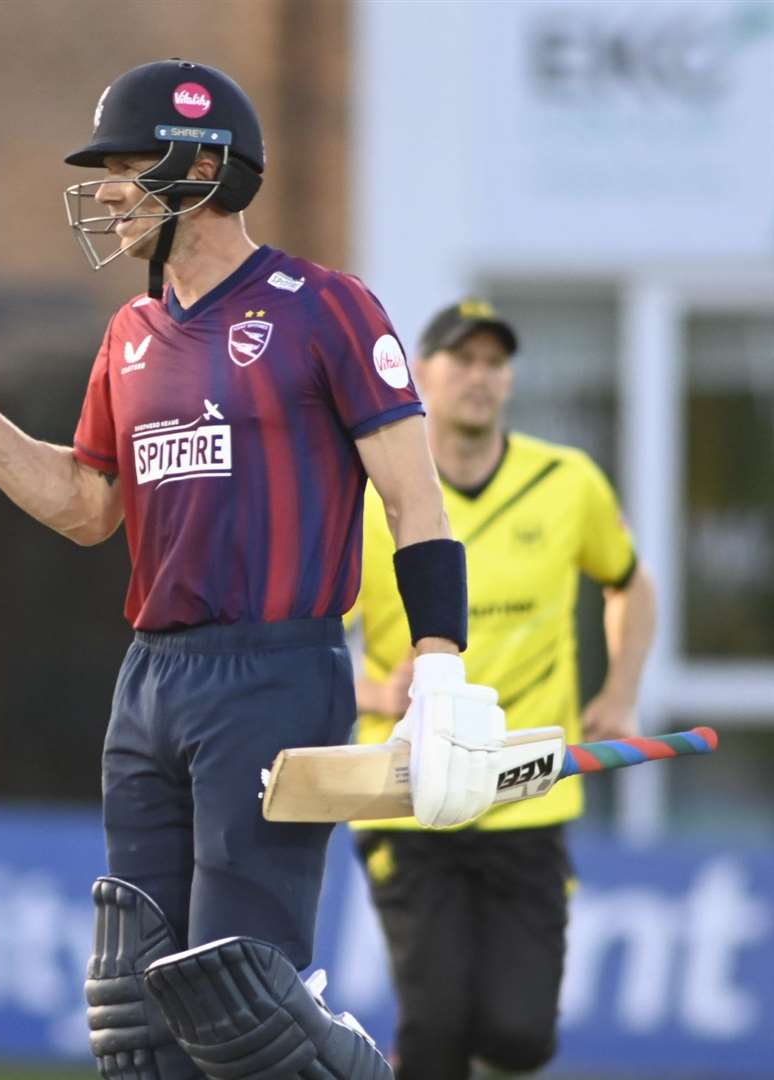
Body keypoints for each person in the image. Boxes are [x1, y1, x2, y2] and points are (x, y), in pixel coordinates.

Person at [0, 58, 515, 1080]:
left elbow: (412, 499)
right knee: (139, 1023)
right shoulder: (127, 334)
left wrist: (438, 670)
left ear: (202, 168)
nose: (106, 192)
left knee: (239, 1006)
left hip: (274, 672)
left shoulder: (323, 307)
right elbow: (86, 508)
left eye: (127, 166)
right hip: (150, 683)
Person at [348, 299, 657, 1080]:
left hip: (532, 790)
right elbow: (302, 632)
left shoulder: (566, 481)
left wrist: (620, 692)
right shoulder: (374, 503)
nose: (481, 377)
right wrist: (378, 693)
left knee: (520, 1037)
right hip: (410, 796)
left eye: (496, 362)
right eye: (464, 359)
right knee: (437, 1023)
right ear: (424, 374)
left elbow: (630, 585)